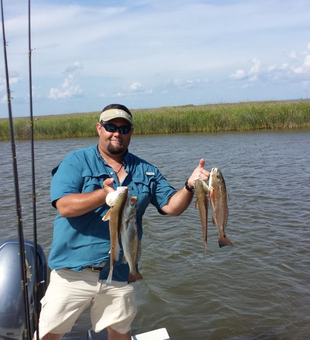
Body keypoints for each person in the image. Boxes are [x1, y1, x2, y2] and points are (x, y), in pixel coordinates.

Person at [37, 104, 210, 340]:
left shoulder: (146, 170)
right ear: (99, 128)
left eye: (124, 128)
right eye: (110, 127)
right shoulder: (76, 161)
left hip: (120, 271)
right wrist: (103, 195)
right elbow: (64, 206)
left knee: (120, 333)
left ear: (131, 132)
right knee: (49, 335)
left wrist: (190, 185)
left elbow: (172, 207)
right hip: (73, 270)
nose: (117, 133)